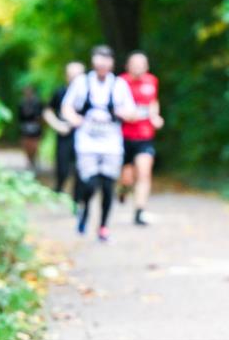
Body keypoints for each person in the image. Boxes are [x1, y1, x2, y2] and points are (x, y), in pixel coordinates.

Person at [61, 45, 138, 241]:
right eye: (99, 59)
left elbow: (132, 112)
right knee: (90, 183)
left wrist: (122, 113)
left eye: (106, 59)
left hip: (111, 143)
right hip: (87, 143)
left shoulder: (119, 85)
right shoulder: (81, 83)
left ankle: (103, 226)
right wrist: (74, 119)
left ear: (112, 62)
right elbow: (67, 106)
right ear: (93, 61)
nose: (102, 63)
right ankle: (85, 210)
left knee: (107, 186)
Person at [117, 50, 164, 226]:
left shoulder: (152, 81)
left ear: (147, 66)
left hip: (144, 135)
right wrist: (125, 114)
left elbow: (153, 102)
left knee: (144, 173)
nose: (138, 67)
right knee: (127, 178)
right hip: (123, 136)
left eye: (142, 64)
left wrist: (155, 116)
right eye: (134, 64)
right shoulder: (120, 82)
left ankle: (139, 212)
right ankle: (123, 189)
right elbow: (114, 106)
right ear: (128, 66)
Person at [43, 61, 86, 202]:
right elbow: (47, 111)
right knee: (62, 168)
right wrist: (58, 125)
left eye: (77, 75)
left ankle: (77, 199)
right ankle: (59, 190)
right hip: (64, 135)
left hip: (83, 136)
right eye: (71, 75)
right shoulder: (60, 91)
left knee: (80, 169)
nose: (74, 78)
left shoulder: (89, 94)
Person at [17, 85, 44, 173]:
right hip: (25, 127)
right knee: (27, 145)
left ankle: (34, 160)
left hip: (35, 127)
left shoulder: (37, 102)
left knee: (35, 146)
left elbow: (41, 116)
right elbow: (20, 117)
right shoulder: (22, 103)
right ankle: (29, 161)